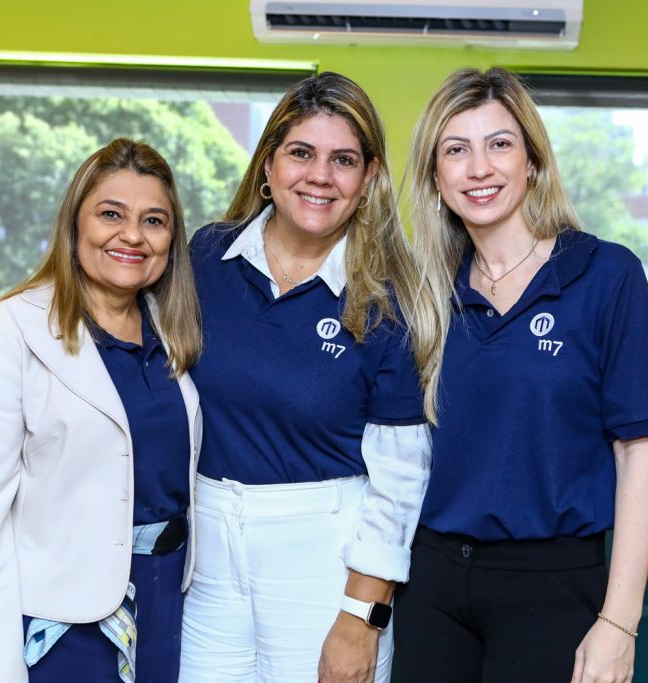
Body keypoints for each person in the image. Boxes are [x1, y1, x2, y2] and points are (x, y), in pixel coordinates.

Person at [392, 67, 648, 683]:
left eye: (499, 144)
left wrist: (619, 623)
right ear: (437, 178)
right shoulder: (425, 297)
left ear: (532, 164)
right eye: (456, 150)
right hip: (431, 583)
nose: (480, 167)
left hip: (552, 586)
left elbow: (637, 457)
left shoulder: (605, 277)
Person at [179, 72, 440, 683]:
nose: (319, 176)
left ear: (369, 178)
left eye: (342, 160)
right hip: (206, 552)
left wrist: (361, 616)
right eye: (301, 152)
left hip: (324, 563)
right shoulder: (203, 258)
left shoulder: (389, 297)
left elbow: (401, 478)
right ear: (268, 164)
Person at [0, 138, 202, 683]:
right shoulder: (5, 331)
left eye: (154, 220)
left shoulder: (175, 333)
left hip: (171, 606)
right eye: (111, 214)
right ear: (74, 224)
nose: (132, 235)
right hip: (65, 622)